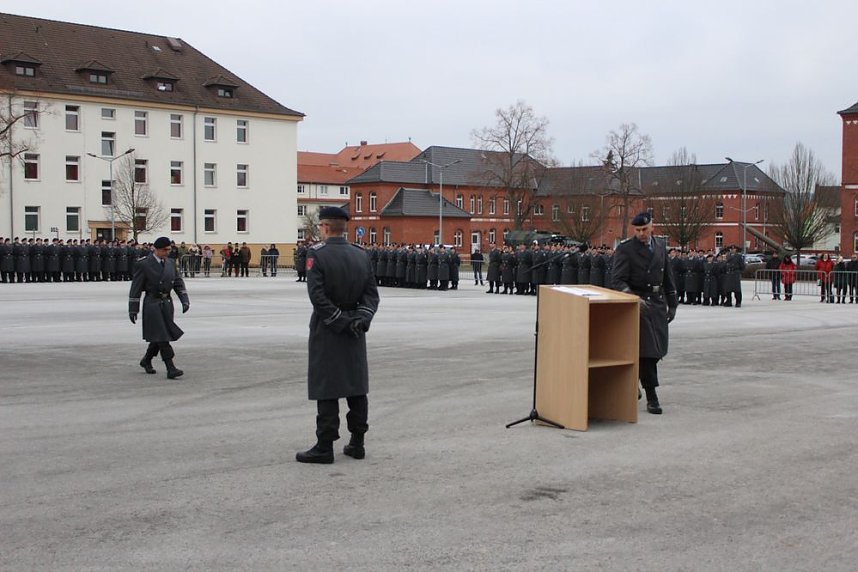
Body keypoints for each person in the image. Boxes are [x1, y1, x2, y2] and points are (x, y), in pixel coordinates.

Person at [297, 207, 380, 464]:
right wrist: (361, 318)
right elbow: (371, 294)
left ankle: (325, 446)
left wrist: (338, 321)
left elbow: (318, 296)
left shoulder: (317, 254)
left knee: (327, 387)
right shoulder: (360, 254)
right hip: (355, 329)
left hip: (328, 329)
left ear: (323, 227)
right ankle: (357, 442)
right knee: (356, 387)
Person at [611, 211, 677, 415]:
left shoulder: (660, 246)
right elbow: (617, 279)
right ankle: (652, 397)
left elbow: (668, 276)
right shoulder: (625, 249)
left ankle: (632, 383)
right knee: (647, 352)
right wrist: (631, 297)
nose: (641, 233)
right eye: (638, 230)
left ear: (652, 227)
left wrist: (672, 303)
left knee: (657, 351)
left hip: (657, 303)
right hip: (638, 304)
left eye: (644, 229)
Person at [128, 236, 190, 379]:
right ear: (155, 249)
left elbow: (178, 282)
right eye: (164, 250)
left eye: (169, 249)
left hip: (167, 303)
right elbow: (135, 288)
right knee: (162, 336)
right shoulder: (143, 264)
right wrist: (133, 308)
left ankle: (146, 360)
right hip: (152, 303)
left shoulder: (170, 263)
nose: (167, 252)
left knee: (160, 334)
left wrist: (184, 300)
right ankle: (170, 367)